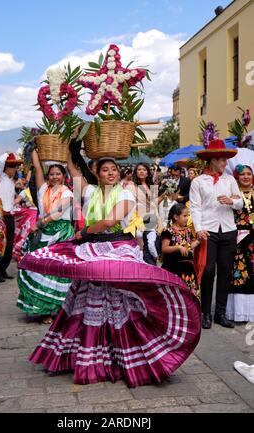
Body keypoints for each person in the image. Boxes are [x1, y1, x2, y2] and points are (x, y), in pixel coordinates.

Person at [19, 158, 202, 388]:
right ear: (96, 173)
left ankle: (126, 358)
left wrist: (84, 232)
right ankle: (89, 357)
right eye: (105, 170)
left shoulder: (126, 193)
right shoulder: (91, 192)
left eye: (114, 169)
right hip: (94, 250)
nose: (111, 173)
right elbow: (75, 172)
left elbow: (110, 221)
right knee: (87, 302)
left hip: (119, 248)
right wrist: (70, 150)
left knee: (121, 303)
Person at [190, 139, 243, 330]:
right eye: (222, 160)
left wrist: (231, 201)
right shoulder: (198, 181)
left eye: (225, 160)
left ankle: (220, 312)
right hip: (208, 231)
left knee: (225, 271)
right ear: (213, 159)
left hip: (228, 229)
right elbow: (195, 208)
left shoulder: (229, 180)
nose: (225, 163)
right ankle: (206, 313)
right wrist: (198, 228)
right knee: (209, 270)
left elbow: (241, 203)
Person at [17, 149, 74, 325]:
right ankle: (43, 309)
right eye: (51, 174)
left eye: (58, 174)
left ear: (64, 176)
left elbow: (58, 212)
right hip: (42, 234)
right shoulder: (43, 190)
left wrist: (39, 224)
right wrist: (35, 149)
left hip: (61, 232)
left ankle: (58, 309)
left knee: (59, 272)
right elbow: (37, 168)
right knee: (40, 269)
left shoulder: (68, 193)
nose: (54, 177)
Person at [226, 165, 254, 323]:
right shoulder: (234, 196)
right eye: (242, 174)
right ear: (237, 177)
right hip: (239, 238)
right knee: (239, 273)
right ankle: (239, 312)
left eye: (249, 174)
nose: (246, 177)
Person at [161, 203, 201, 300]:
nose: (187, 218)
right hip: (174, 269)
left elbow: (188, 247)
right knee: (176, 296)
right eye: (184, 216)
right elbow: (164, 248)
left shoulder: (187, 231)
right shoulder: (168, 232)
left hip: (188, 270)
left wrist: (198, 241)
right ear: (175, 217)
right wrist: (178, 247)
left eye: (188, 215)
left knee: (189, 296)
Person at [0, 152, 23, 283]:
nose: (15, 170)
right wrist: (6, 154)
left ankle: (3, 269)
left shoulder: (10, 181)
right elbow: (0, 163)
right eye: (12, 167)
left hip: (9, 215)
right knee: (3, 244)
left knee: (9, 244)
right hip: (3, 216)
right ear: (5, 168)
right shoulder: (0, 178)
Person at [12, 183, 38, 262]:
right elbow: (16, 201)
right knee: (26, 234)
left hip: (40, 215)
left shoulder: (43, 190)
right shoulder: (26, 192)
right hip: (30, 215)